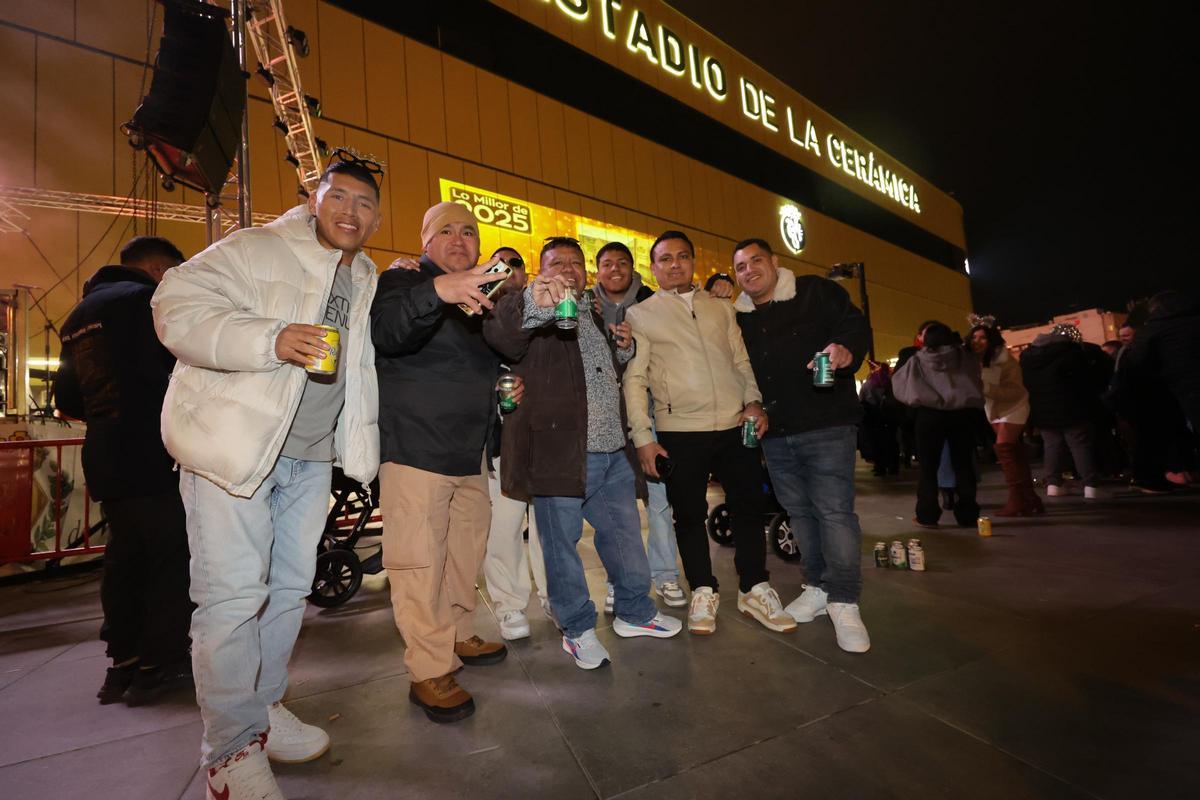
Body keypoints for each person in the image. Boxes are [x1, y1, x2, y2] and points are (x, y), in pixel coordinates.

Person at [153, 157, 382, 800]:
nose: (351, 212)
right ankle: (227, 751)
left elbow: (359, 372)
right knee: (230, 599)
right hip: (235, 451)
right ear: (314, 199)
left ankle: (261, 709)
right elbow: (173, 301)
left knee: (286, 592)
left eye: (365, 204)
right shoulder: (257, 247)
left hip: (309, 459)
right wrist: (270, 338)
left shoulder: (361, 275)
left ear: (376, 217)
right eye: (339, 197)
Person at [484, 237, 683, 669]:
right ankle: (576, 630)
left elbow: (597, 372)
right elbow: (504, 336)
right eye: (557, 263)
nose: (569, 270)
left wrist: (623, 349)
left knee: (626, 538)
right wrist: (537, 299)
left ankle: (635, 612)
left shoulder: (590, 311)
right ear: (541, 269)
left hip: (611, 449)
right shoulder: (524, 303)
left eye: (576, 263)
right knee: (561, 548)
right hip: (560, 450)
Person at [370, 201, 513, 725]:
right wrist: (433, 291)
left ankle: (456, 632)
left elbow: (498, 356)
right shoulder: (404, 282)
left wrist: (507, 383)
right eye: (446, 230)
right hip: (415, 449)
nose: (460, 239)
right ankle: (428, 667)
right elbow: (387, 334)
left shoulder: (484, 293)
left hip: (470, 450)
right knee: (419, 561)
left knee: (463, 555)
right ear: (425, 241)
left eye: (470, 232)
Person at [624, 230, 794, 636]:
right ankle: (702, 589)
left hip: (735, 426)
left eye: (683, 257)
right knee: (688, 515)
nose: (675, 264)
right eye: (665, 259)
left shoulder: (721, 309)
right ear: (654, 268)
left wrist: (753, 402)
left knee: (748, 508)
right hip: (680, 430)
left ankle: (755, 587)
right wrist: (643, 436)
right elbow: (634, 381)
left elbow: (740, 361)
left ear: (693, 262)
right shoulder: (641, 315)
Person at [54, 236, 193, 707]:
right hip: (152, 449)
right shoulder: (145, 301)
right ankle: (162, 664)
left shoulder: (79, 316)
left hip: (106, 454)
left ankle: (123, 665)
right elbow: (174, 369)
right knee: (169, 557)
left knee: (124, 558)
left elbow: (66, 399)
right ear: (157, 270)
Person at [732, 238, 872, 653]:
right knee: (800, 512)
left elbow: (854, 325)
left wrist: (845, 349)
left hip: (827, 423)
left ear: (775, 262)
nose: (749, 271)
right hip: (775, 432)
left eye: (757, 261)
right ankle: (816, 587)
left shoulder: (815, 291)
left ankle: (844, 600)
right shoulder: (738, 316)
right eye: (740, 267)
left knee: (834, 512)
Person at [591, 241, 685, 609]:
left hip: (650, 415)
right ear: (596, 270)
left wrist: (723, 282)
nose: (615, 270)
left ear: (634, 268)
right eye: (607, 264)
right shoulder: (581, 305)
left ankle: (664, 575)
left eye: (623, 263)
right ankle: (620, 579)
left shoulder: (653, 300)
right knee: (613, 507)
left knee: (660, 500)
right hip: (602, 418)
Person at [480, 246, 549, 640]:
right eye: (498, 266)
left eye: (515, 264)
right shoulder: (475, 316)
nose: (507, 272)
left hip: (544, 441)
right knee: (503, 530)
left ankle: (556, 598)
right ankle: (509, 606)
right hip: (500, 443)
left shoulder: (549, 312)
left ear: (527, 273)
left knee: (549, 529)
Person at [892, 323, 985, 527]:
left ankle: (927, 514)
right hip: (961, 414)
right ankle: (968, 513)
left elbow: (899, 385)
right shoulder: (963, 356)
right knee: (963, 464)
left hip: (929, 415)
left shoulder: (918, 359)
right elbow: (977, 380)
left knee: (928, 467)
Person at [1019, 323, 1110, 499]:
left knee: (1052, 446)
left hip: (1042, 409)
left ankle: (1053, 484)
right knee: (1079, 445)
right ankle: (1090, 485)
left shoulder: (1028, 357)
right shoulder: (1071, 353)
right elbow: (1085, 380)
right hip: (1072, 406)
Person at [969, 322, 1043, 516]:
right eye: (974, 337)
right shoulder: (975, 360)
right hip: (993, 409)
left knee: (1004, 448)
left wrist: (984, 387)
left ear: (991, 339)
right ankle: (1031, 499)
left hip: (1014, 406)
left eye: (983, 337)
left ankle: (1017, 500)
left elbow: (1014, 391)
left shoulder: (1005, 360)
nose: (977, 341)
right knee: (1015, 454)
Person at [859, 362, 902, 477]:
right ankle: (894, 466)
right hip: (889, 416)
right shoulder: (890, 383)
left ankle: (880, 467)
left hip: (874, 418)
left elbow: (861, 399)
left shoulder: (868, 384)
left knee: (877, 442)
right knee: (892, 441)